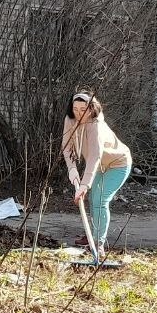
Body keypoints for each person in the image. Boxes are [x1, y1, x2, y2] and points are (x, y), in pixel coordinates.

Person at [62, 91, 133, 261]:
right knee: (94, 199)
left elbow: (94, 156)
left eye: (83, 109)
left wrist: (85, 185)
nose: (79, 113)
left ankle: (98, 244)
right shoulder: (70, 120)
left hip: (118, 164)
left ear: (91, 108)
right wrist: (72, 170)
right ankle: (92, 235)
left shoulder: (96, 126)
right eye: (76, 109)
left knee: (100, 200)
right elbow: (67, 147)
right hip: (99, 167)